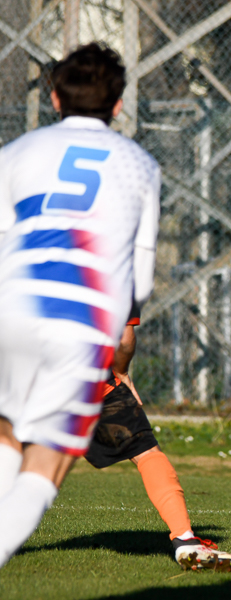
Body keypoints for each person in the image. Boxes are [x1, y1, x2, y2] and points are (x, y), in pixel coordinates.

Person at [0, 43, 159, 567]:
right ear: (118, 104)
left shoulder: (16, 152)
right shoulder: (140, 165)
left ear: (53, 97)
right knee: (46, 462)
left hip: (11, 309)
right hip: (80, 324)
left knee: (7, 433)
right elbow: (139, 281)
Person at [82, 303, 231, 571]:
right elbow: (124, 339)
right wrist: (121, 373)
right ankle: (185, 539)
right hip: (90, 377)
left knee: (21, 454)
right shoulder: (117, 274)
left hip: (28, 376)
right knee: (146, 453)